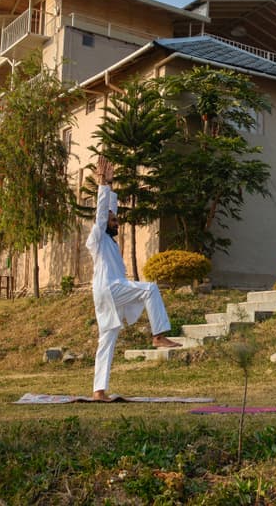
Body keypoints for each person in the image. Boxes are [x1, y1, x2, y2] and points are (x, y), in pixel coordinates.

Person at [87, 156, 181, 401]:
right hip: (110, 289)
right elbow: (101, 214)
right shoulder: (97, 236)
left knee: (106, 339)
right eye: (114, 219)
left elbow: (108, 210)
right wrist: (102, 184)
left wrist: (111, 187)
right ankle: (158, 335)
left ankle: (98, 391)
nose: (117, 223)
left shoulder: (109, 242)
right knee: (150, 289)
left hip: (107, 293)